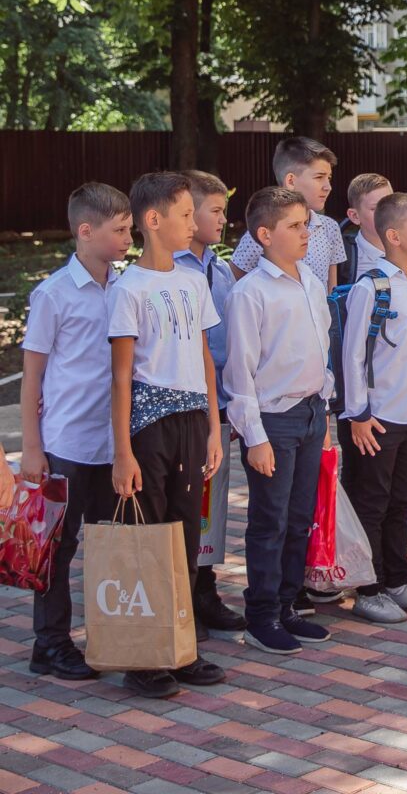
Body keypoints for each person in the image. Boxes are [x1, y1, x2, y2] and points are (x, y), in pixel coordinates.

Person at [107, 171, 228, 698]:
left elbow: (203, 357)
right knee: (148, 540)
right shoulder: (128, 288)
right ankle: (143, 658)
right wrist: (122, 452)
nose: (191, 223)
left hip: (191, 421)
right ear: (153, 221)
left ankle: (182, 649)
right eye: (184, 215)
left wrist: (213, 430)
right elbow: (120, 375)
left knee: (183, 538)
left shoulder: (191, 280)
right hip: (149, 427)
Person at [20, 183, 132, 682]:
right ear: (86, 231)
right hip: (67, 444)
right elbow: (32, 377)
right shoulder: (53, 295)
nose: (129, 237)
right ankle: (51, 644)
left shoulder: (126, 287)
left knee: (112, 545)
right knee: (58, 550)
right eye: (121, 229)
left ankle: (113, 635)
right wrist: (31, 448)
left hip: (115, 446)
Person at [223, 186, 335, 655]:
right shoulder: (250, 292)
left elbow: (320, 347)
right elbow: (240, 372)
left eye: (306, 224)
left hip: (311, 412)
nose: (306, 233)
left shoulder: (310, 281)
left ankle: (288, 605)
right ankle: (262, 614)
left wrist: (324, 405)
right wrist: (255, 436)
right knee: (269, 522)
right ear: (265, 235)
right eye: (294, 225)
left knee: (299, 517)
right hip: (273, 418)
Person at [339, 192, 407, 624]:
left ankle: (399, 580)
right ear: (393, 235)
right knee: (372, 502)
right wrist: (358, 415)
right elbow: (353, 356)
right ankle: (369, 587)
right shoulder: (372, 287)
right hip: (378, 418)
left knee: (400, 501)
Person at [174, 171, 247, 636]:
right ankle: (180, 594)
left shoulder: (219, 270)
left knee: (212, 504)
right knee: (183, 504)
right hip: (182, 408)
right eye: (214, 211)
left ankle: (206, 589)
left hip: (218, 407)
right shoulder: (173, 272)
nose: (223, 219)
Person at [230, 137, 347, 288]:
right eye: (319, 177)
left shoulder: (330, 228)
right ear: (291, 181)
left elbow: (331, 291)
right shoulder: (266, 231)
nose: (328, 187)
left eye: (329, 178)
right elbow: (234, 283)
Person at [340, 173, 394, 283]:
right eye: (376, 208)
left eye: (391, 205)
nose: (387, 213)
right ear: (354, 216)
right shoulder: (345, 261)